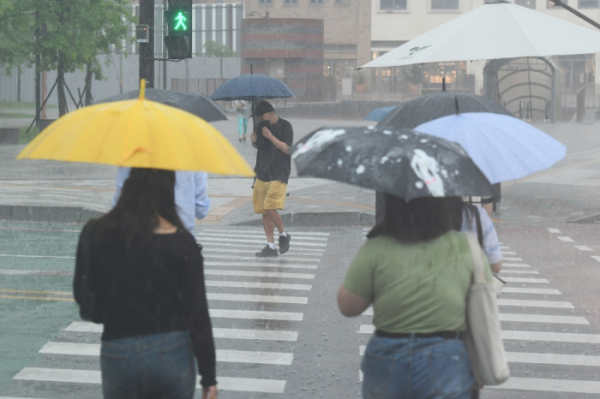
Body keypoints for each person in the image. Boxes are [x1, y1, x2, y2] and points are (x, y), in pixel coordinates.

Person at [74, 168, 217, 399]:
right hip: (171, 350)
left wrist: (112, 315)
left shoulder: (96, 233)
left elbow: (85, 298)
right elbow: (197, 313)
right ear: (169, 190)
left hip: (118, 349)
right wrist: (208, 376)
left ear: (127, 186)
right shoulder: (183, 243)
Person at [337, 194, 492, 399]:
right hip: (448, 357)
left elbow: (348, 306)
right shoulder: (465, 247)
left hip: (388, 354)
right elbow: (485, 301)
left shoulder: (376, 248)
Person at [250, 100, 293, 257]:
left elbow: (287, 149)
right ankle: (271, 246)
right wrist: (254, 141)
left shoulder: (285, 126)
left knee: (270, 206)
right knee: (265, 211)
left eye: (261, 117)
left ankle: (283, 234)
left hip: (279, 173)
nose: (260, 121)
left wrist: (270, 136)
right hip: (262, 172)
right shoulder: (260, 127)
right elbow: (259, 147)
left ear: (271, 113)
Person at [114, 168, 210, 234]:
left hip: (133, 237)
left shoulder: (132, 152)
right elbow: (201, 210)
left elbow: (117, 204)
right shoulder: (192, 155)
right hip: (180, 241)